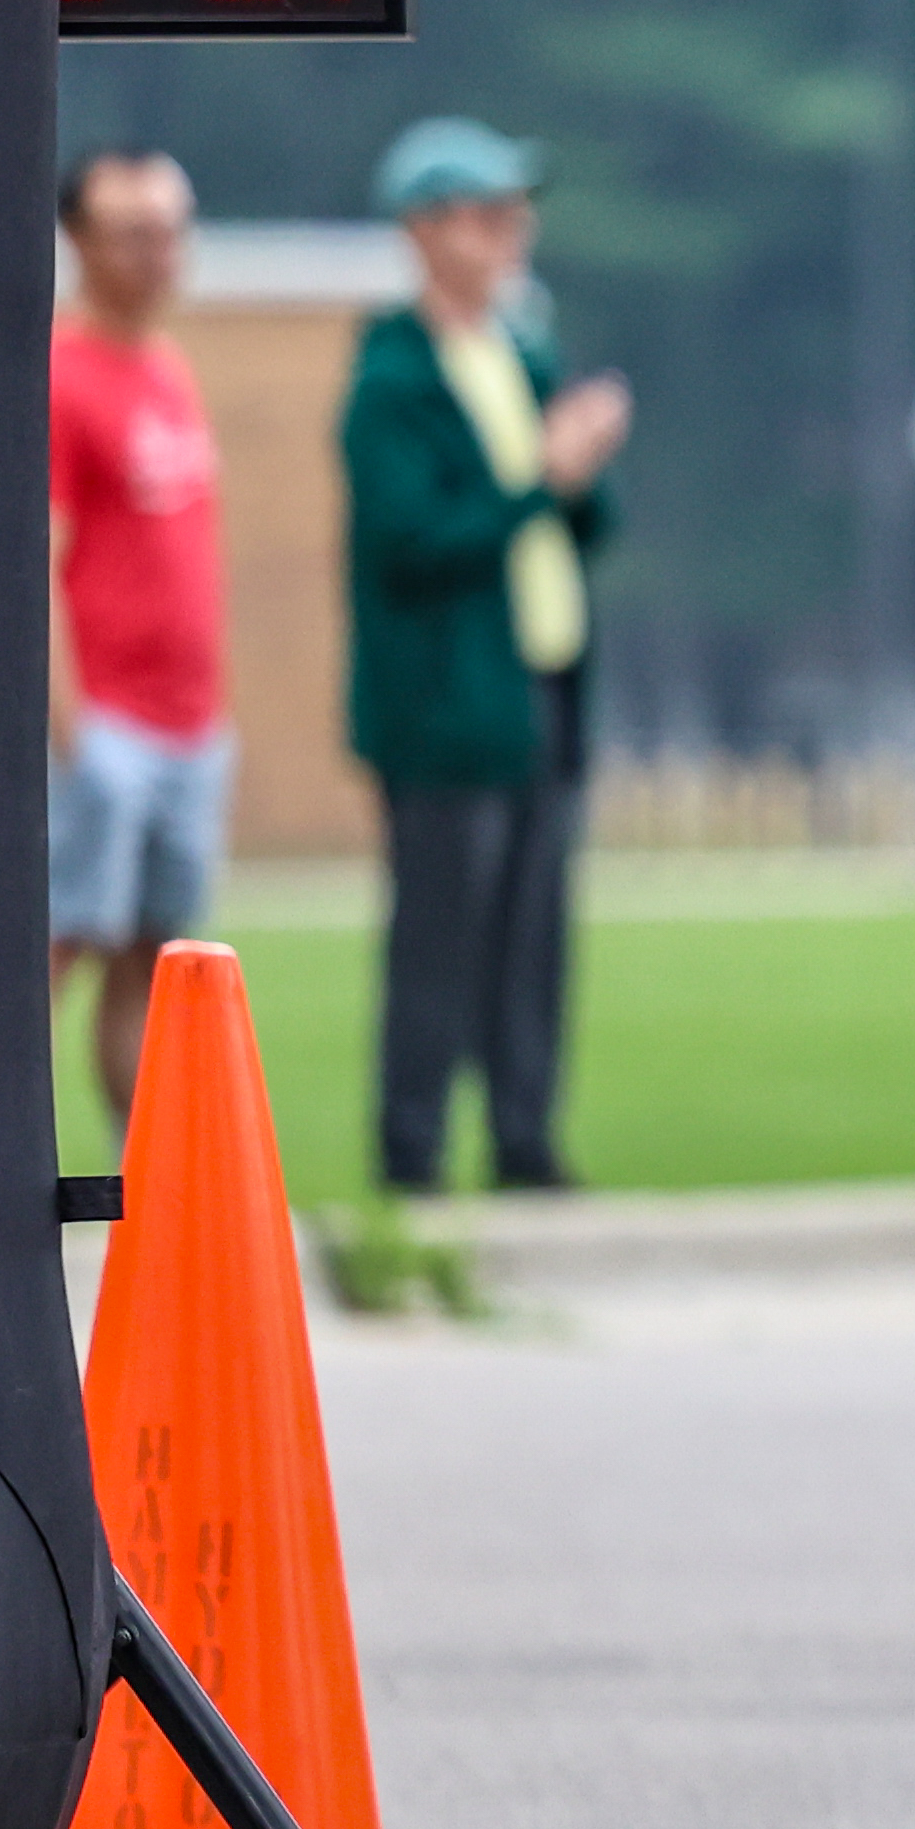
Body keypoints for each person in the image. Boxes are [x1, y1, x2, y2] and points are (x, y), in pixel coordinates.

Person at [346, 117, 627, 1197]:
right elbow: (410, 539)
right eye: (488, 214)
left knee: (535, 930)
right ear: (426, 229)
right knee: (439, 938)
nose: (513, 234)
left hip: (539, 680)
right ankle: (410, 1150)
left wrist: (580, 468)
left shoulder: (522, 347)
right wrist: (539, 480)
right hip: (445, 699)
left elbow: (577, 521)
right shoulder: (394, 374)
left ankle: (525, 1137)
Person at [49, 147, 232, 1144]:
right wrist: (71, 731)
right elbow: (38, 559)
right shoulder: (62, 376)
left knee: (154, 964)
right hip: (105, 725)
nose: (161, 255)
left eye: (172, 229)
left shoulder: (165, 368)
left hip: (189, 726)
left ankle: (148, 1179)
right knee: (56, 944)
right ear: (79, 242)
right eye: (135, 234)